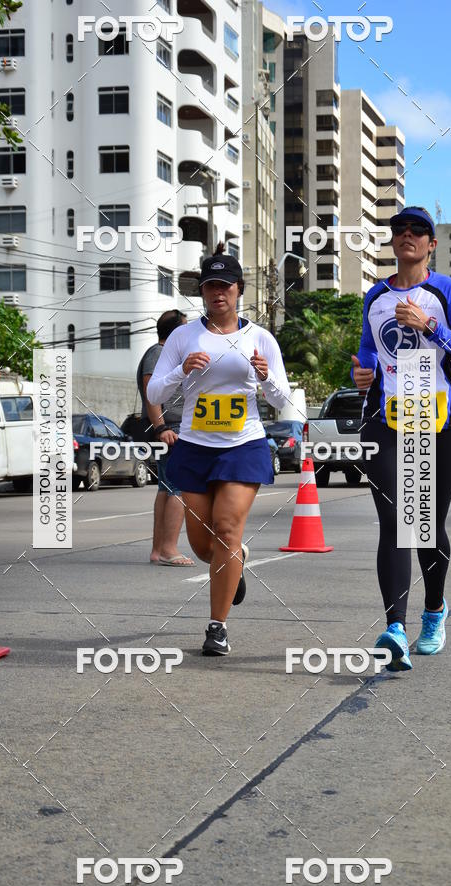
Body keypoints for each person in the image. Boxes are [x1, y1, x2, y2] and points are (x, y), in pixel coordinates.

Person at [351, 206, 451, 671]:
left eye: (419, 231)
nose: (407, 235)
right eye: (400, 230)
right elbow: (368, 353)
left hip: (437, 422)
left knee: (425, 527)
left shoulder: (445, 291)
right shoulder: (375, 296)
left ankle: (434, 610)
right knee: (395, 520)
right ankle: (395, 629)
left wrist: (431, 326)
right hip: (385, 421)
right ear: (392, 242)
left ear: (431, 244)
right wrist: (361, 372)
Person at [147, 243, 291, 655]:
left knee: (227, 529)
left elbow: (281, 401)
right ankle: (236, 560)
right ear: (203, 292)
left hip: (243, 444)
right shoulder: (182, 336)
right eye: (210, 286)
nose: (217, 293)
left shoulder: (260, 338)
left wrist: (264, 379)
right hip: (194, 445)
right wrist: (180, 369)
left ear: (239, 290)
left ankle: (217, 627)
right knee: (203, 545)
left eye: (225, 285)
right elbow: (155, 391)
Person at [138, 309, 195, 566]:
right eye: (183, 329)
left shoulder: (162, 354)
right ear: (174, 332)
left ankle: (158, 549)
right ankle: (169, 549)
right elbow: (152, 393)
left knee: (166, 488)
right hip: (169, 428)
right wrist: (161, 428)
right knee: (177, 488)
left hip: (170, 428)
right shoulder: (158, 354)